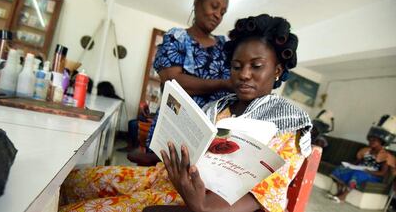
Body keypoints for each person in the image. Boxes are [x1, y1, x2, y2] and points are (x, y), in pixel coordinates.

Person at [58, 14, 312, 212]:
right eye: (236, 66)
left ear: (277, 70)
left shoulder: (288, 122)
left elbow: (261, 194)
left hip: (197, 201)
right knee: (71, 181)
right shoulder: (220, 106)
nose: (244, 74)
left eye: (256, 66)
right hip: (164, 178)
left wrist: (199, 203)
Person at [144, 0, 232, 151]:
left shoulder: (224, 46)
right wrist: (223, 83)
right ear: (197, 3)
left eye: (223, 12)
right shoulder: (176, 38)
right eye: (214, 6)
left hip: (210, 137)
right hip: (174, 128)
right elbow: (173, 83)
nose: (218, 15)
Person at [328, 115, 396, 203]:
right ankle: (339, 193)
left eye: (373, 140)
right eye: (370, 140)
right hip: (361, 169)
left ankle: (343, 196)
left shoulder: (385, 155)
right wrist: (349, 165)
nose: (370, 142)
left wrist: (369, 171)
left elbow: (382, 173)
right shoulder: (366, 151)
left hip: (373, 175)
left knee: (358, 174)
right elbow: (358, 162)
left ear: (381, 142)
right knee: (341, 168)